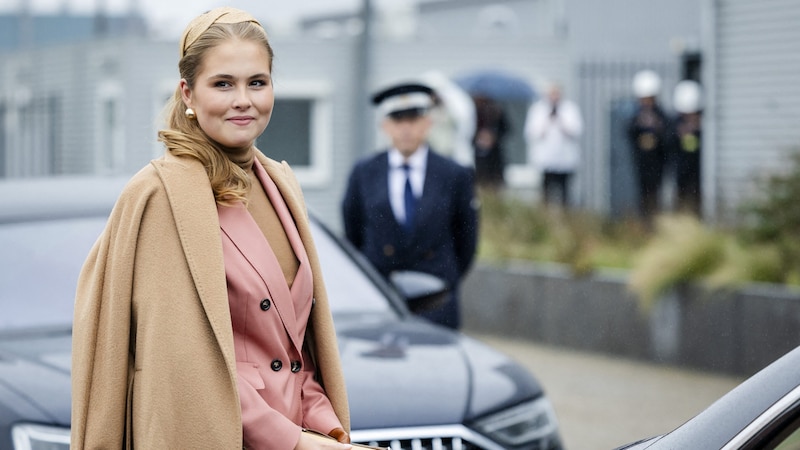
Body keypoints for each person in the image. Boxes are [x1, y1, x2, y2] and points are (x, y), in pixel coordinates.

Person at [71, 7, 351, 449]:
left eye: (257, 82)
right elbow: (180, 365)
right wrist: (295, 441)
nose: (244, 99)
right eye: (223, 84)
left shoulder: (281, 183)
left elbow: (295, 353)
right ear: (188, 92)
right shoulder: (160, 196)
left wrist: (325, 427)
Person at [341, 82, 478, 330]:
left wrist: (445, 279)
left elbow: (466, 240)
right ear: (385, 125)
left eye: (413, 119)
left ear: (427, 123)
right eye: (397, 120)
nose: (406, 128)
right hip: (380, 297)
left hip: (437, 299)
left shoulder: (453, 174)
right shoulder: (365, 173)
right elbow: (353, 234)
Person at [524, 82, 584, 208]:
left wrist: (560, 121)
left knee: (565, 193)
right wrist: (547, 121)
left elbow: (576, 131)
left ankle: (566, 215)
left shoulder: (569, 109)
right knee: (546, 191)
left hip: (565, 159)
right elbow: (531, 133)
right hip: (546, 159)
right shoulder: (538, 109)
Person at [627, 70, 672, 223]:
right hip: (641, 161)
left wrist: (657, 127)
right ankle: (643, 222)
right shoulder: (636, 115)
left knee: (656, 193)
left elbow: (668, 134)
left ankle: (656, 220)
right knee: (642, 193)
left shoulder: (661, 115)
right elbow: (629, 132)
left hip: (658, 162)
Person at [672, 79, 703, 216]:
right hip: (682, 168)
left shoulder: (703, 123)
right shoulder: (675, 124)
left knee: (697, 197)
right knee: (682, 196)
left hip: (698, 169)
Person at [472, 95, 509, 188]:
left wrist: (493, 136)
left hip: (494, 155)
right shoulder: (473, 112)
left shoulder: (497, 111)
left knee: (494, 181)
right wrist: (478, 136)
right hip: (478, 154)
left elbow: (505, 129)